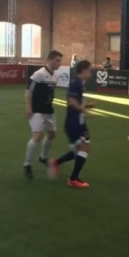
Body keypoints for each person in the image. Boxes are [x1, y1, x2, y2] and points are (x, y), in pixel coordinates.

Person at [48, 60, 94, 188]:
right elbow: (71, 101)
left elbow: (75, 101)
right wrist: (84, 110)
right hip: (74, 123)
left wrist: (86, 106)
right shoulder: (76, 83)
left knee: (78, 150)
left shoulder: (78, 83)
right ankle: (73, 179)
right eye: (90, 70)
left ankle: (56, 162)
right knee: (84, 149)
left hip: (78, 123)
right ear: (83, 70)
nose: (91, 73)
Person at [23, 50, 63, 180]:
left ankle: (43, 157)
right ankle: (27, 164)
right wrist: (28, 107)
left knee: (52, 135)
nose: (59, 63)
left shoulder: (55, 76)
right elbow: (29, 91)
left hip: (48, 110)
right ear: (49, 60)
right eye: (57, 60)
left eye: (60, 61)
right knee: (37, 136)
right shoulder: (39, 74)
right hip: (37, 110)